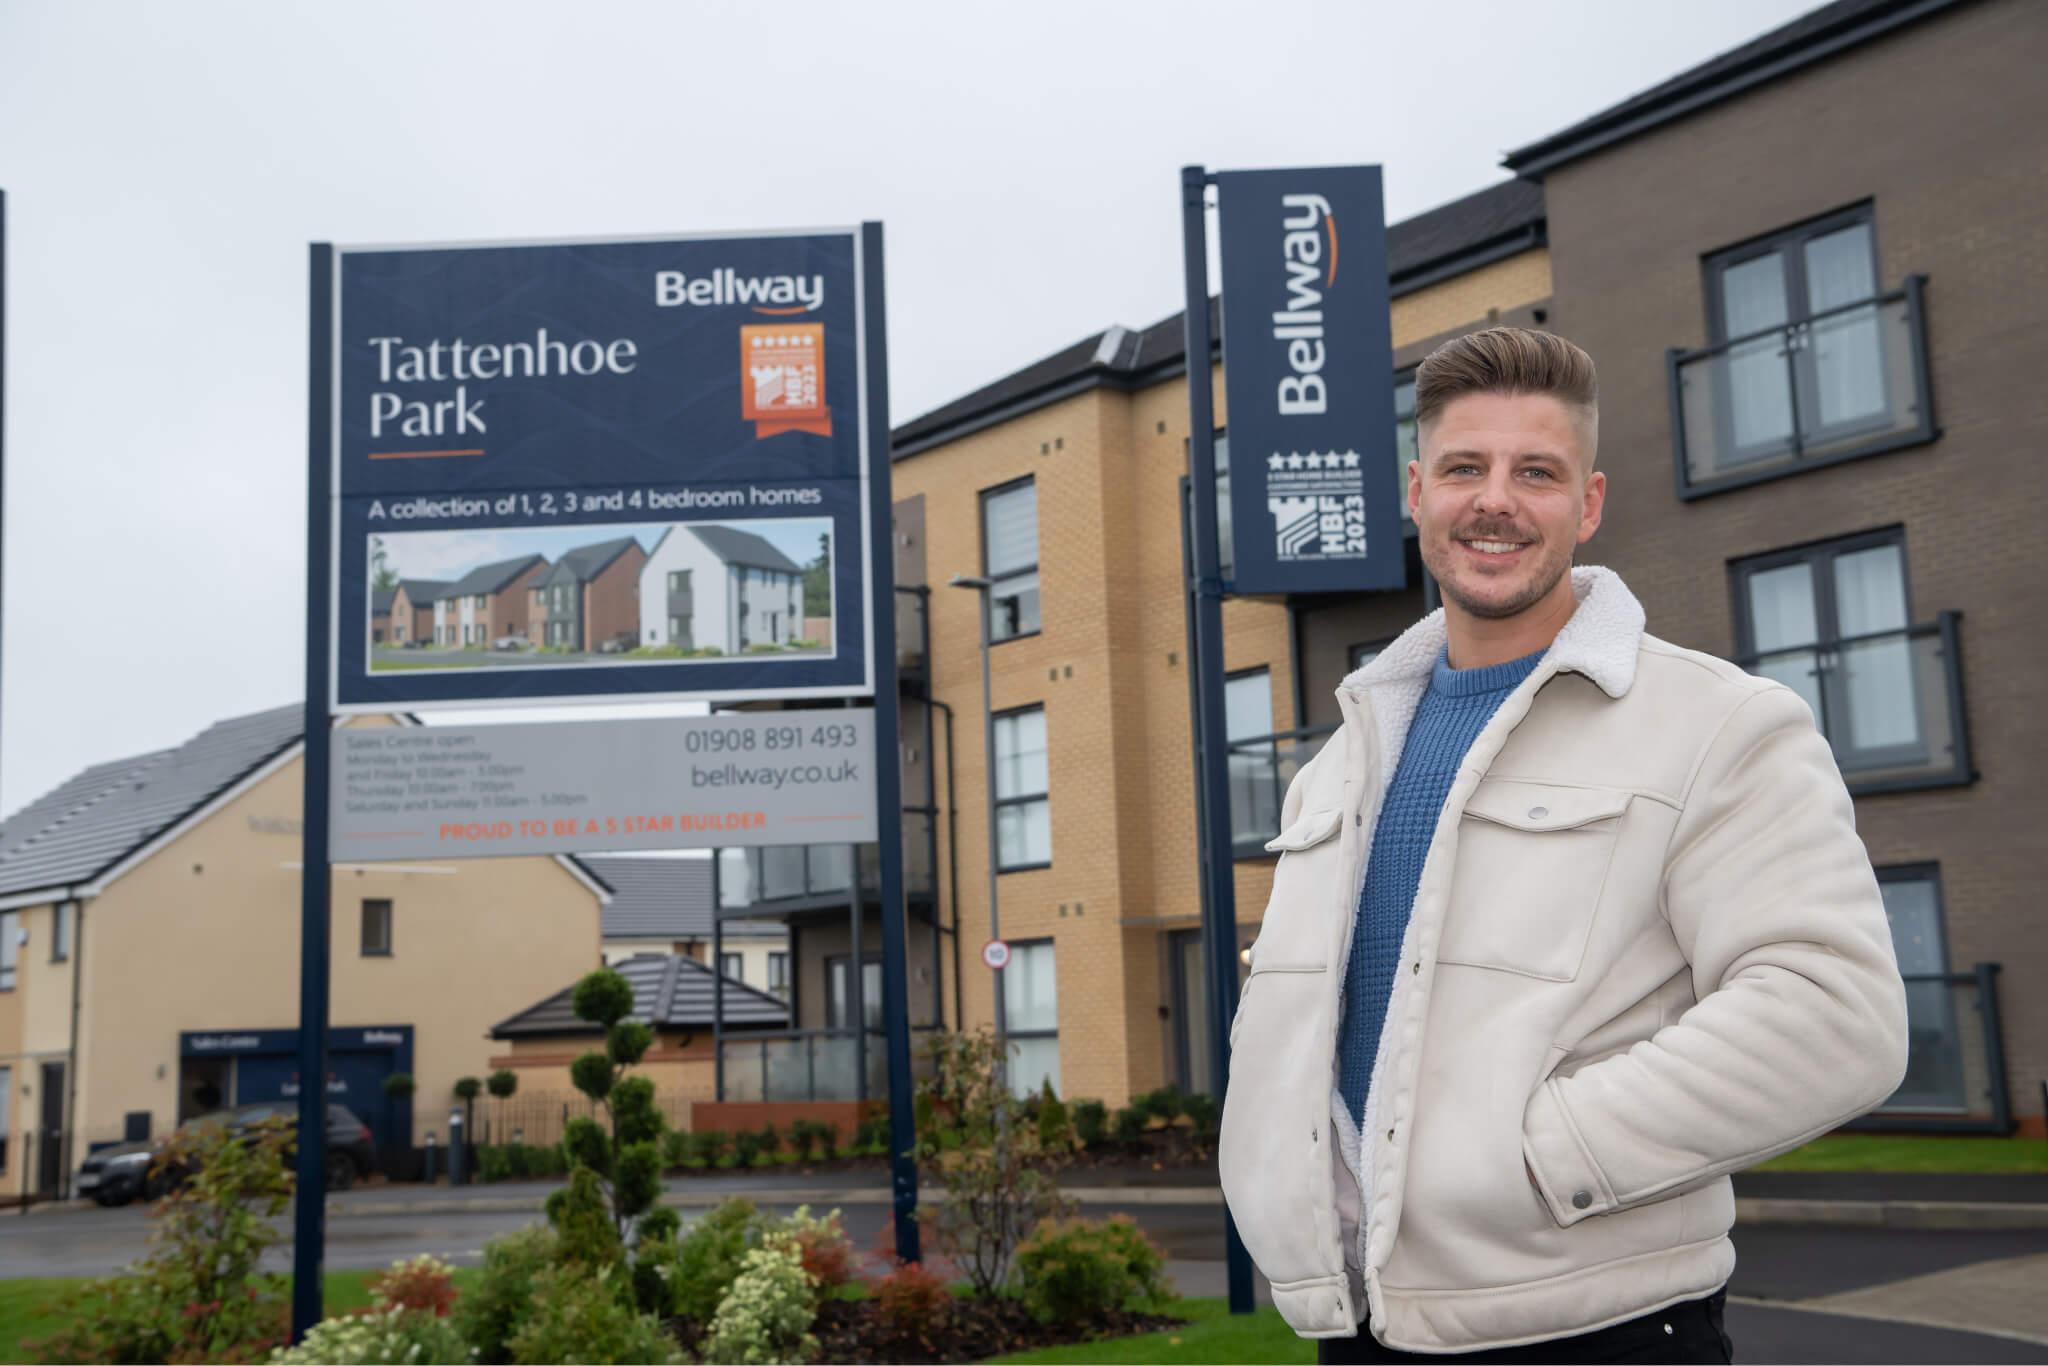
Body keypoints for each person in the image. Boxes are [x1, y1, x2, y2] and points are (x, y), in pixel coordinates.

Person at [1217, 328, 1907, 1363]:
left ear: (1584, 504)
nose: (1492, 499)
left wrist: (1533, 1158)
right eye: (1463, 468)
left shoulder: (1718, 724)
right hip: (1360, 1326)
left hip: (1598, 1328)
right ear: (1417, 491)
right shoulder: (1341, 761)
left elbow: (1830, 1015)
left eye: (1533, 471)